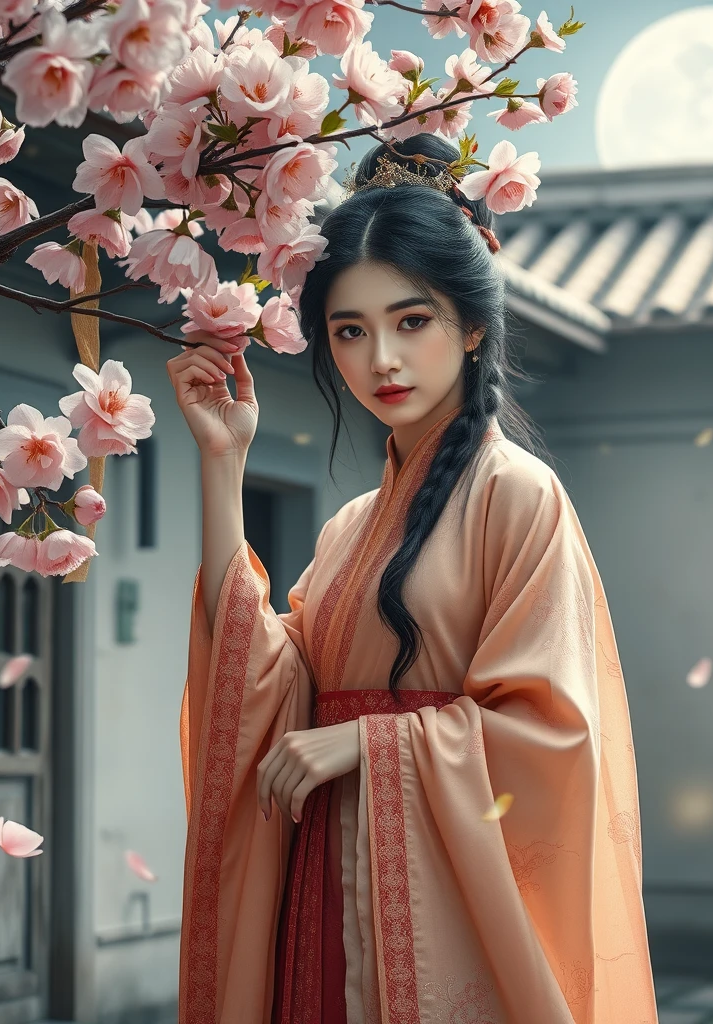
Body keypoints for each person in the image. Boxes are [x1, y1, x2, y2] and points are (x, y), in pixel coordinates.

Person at [169, 134, 658, 1024]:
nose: (381, 360)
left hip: (440, 916)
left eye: (411, 320)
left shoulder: (518, 495)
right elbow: (263, 686)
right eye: (349, 332)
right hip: (323, 890)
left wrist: (371, 743)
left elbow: (552, 730)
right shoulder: (352, 526)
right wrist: (221, 466)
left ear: (472, 326)